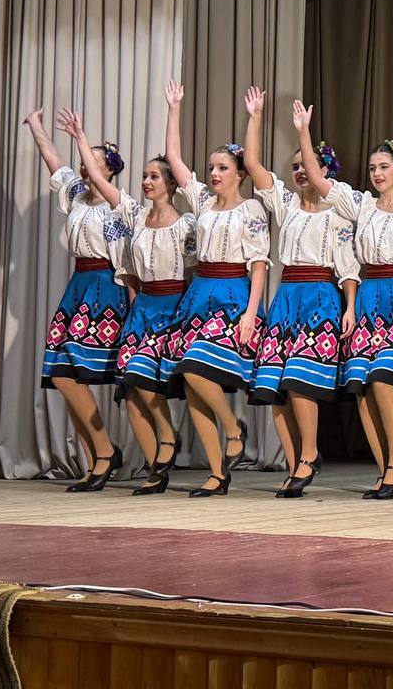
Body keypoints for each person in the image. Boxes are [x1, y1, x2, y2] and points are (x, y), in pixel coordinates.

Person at [295, 101, 393, 500]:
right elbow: (318, 179)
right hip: (371, 298)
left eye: (384, 167)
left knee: (384, 376)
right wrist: (304, 132)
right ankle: (384, 466)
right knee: (360, 384)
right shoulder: (361, 205)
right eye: (373, 168)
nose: (377, 174)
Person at [57, 109, 196, 496]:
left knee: (146, 381)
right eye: (144, 176)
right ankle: (155, 466)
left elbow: (191, 271)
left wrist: (186, 314)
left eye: (154, 176)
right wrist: (78, 137)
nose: (146, 182)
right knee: (130, 385)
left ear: (170, 182)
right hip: (138, 304)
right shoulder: (134, 214)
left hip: (167, 304)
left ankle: (170, 439)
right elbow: (96, 178)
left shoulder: (186, 223)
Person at [243, 87, 359, 498]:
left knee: (299, 380)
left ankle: (310, 454)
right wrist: (255, 116)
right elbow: (252, 164)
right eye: (293, 167)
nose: (299, 172)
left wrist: (349, 306)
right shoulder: (287, 205)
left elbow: (348, 266)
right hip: (286, 298)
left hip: (319, 297)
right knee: (273, 386)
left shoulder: (338, 212)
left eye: (305, 165)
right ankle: (295, 465)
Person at [162, 80, 269, 498]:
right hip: (200, 294)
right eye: (212, 168)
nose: (214, 173)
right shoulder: (203, 203)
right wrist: (174, 109)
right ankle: (217, 471)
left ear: (240, 173)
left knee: (193, 366)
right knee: (191, 383)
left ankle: (232, 427)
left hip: (232, 296)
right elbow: (174, 158)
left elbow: (258, 265)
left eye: (223, 168)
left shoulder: (251, 208)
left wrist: (251, 314)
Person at [23, 109, 131, 492]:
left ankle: (104, 453)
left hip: (105, 287)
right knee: (62, 372)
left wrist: (133, 308)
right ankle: (95, 459)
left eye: (94, 163)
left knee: (70, 373)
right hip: (78, 286)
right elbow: (54, 160)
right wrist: (36, 126)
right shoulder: (77, 198)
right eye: (85, 162)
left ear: (109, 170)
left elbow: (126, 263)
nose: (85, 168)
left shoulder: (117, 208)